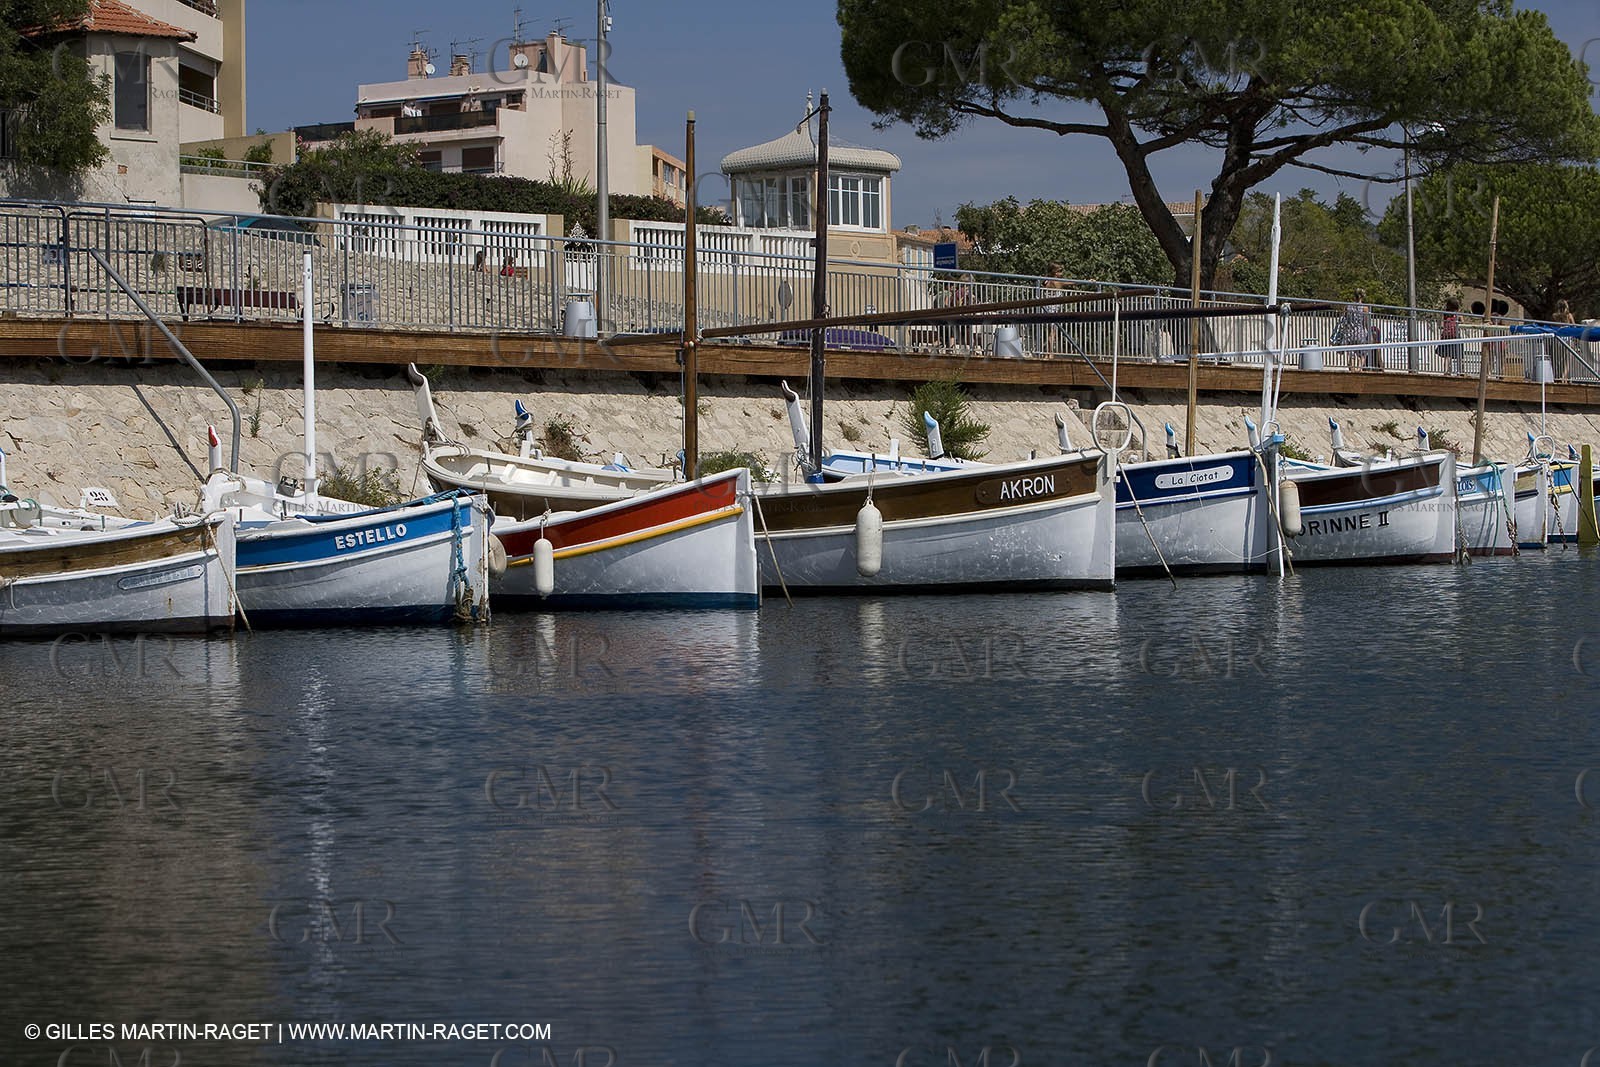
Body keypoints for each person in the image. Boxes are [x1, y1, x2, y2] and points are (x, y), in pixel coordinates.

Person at [1333, 289, 1373, 371]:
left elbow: (1342, 319)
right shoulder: (1365, 308)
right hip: (1360, 332)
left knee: (1351, 352)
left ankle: (1352, 368)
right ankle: (1359, 369)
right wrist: (1370, 333)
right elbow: (1366, 323)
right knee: (1363, 353)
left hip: (1349, 332)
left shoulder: (1348, 306)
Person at [1437, 297, 1463, 374]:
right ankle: (1460, 372)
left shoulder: (1445, 314)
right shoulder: (1458, 315)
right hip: (1455, 337)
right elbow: (1463, 323)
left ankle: (1446, 372)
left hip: (1446, 337)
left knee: (1447, 356)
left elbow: (1440, 325)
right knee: (1459, 355)